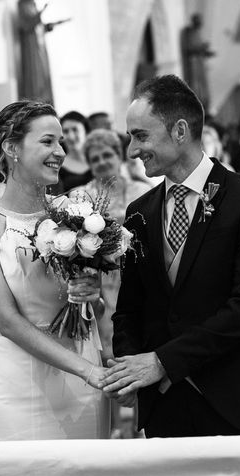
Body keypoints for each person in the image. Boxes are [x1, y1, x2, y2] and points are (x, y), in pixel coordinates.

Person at [100, 75, 240, 438]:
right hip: (165, 409)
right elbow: (129, 309)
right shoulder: (140, 212)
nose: (132, 151)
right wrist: (129, 371)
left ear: (180, 131)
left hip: (233, 402)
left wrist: (162, 362)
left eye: (141, 135)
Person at [0, 100, 109, 440]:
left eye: (61, 142)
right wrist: (87, 371)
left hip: (82, 380)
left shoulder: (74, 214)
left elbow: (91, 311)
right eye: (47, 141)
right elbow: (9, 322)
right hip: (20, 383)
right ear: (11, 147)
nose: (60, 151)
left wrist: (91, 298)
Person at [80, 129, 151, 359]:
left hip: (141, 272)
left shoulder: (142, 190)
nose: (102, 162)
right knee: (110, 345)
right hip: (103, 278)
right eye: (95, 158)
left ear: (119, 155)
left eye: (107, 155)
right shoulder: (82, 198)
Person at [59, 111, 92, 191]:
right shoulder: (58, 167)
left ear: (86, 131)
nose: (71, 136)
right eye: (66, 131)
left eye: (75, 130)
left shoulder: (100, 158)